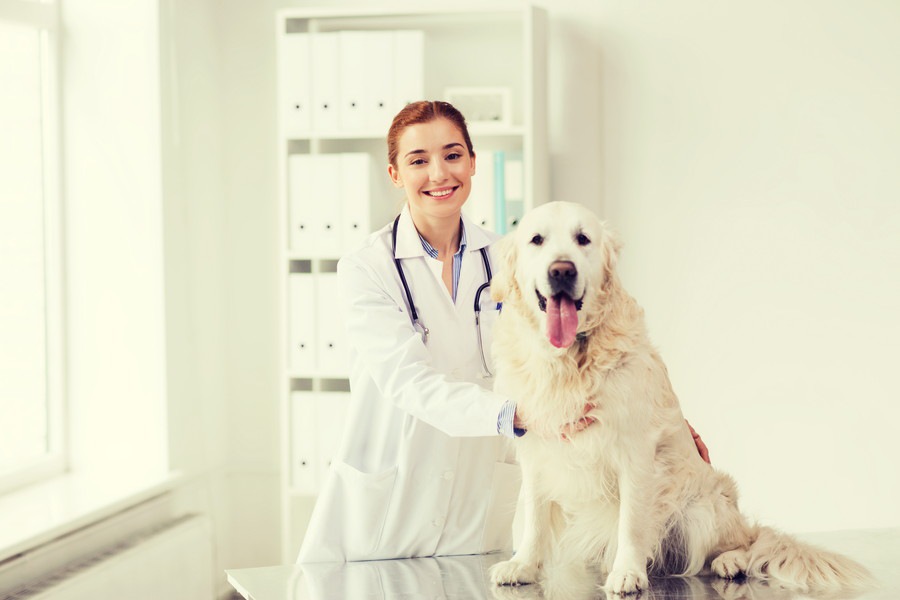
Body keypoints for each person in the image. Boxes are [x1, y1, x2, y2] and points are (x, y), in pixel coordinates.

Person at [296, 101, 709, 564]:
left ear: (473, 163)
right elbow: (407, 381)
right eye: (418, 161)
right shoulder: (366, 268)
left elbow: (579, 356)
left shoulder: (513, 255)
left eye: (453, 155)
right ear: (395, 173)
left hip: (480, 508)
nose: (439, 173)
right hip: (390, 508)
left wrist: (665, 425)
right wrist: (516, 415)